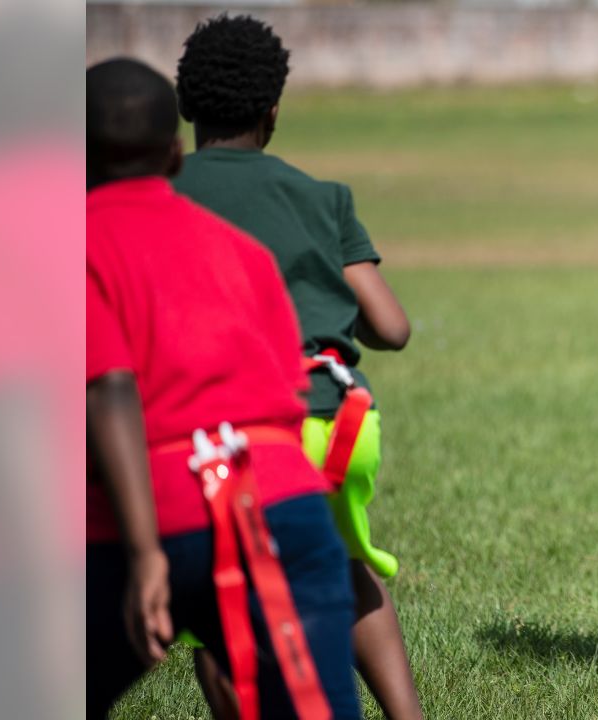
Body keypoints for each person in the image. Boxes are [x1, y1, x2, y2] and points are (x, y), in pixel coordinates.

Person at [86, 57, 360, 718]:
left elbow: (109, 389)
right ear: (175, 154)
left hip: (147, 515)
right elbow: (288, 399)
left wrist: (148, 553)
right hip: (281, 505)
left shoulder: (72, 243)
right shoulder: (242, 252)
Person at [169, 15, 424, 720]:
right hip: (337, 424)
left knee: (220, 597)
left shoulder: (164, 195)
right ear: (273, 109)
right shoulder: (323, 196)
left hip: (228, 437)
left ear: (187, 108)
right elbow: (392, 329)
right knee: (346, 568)